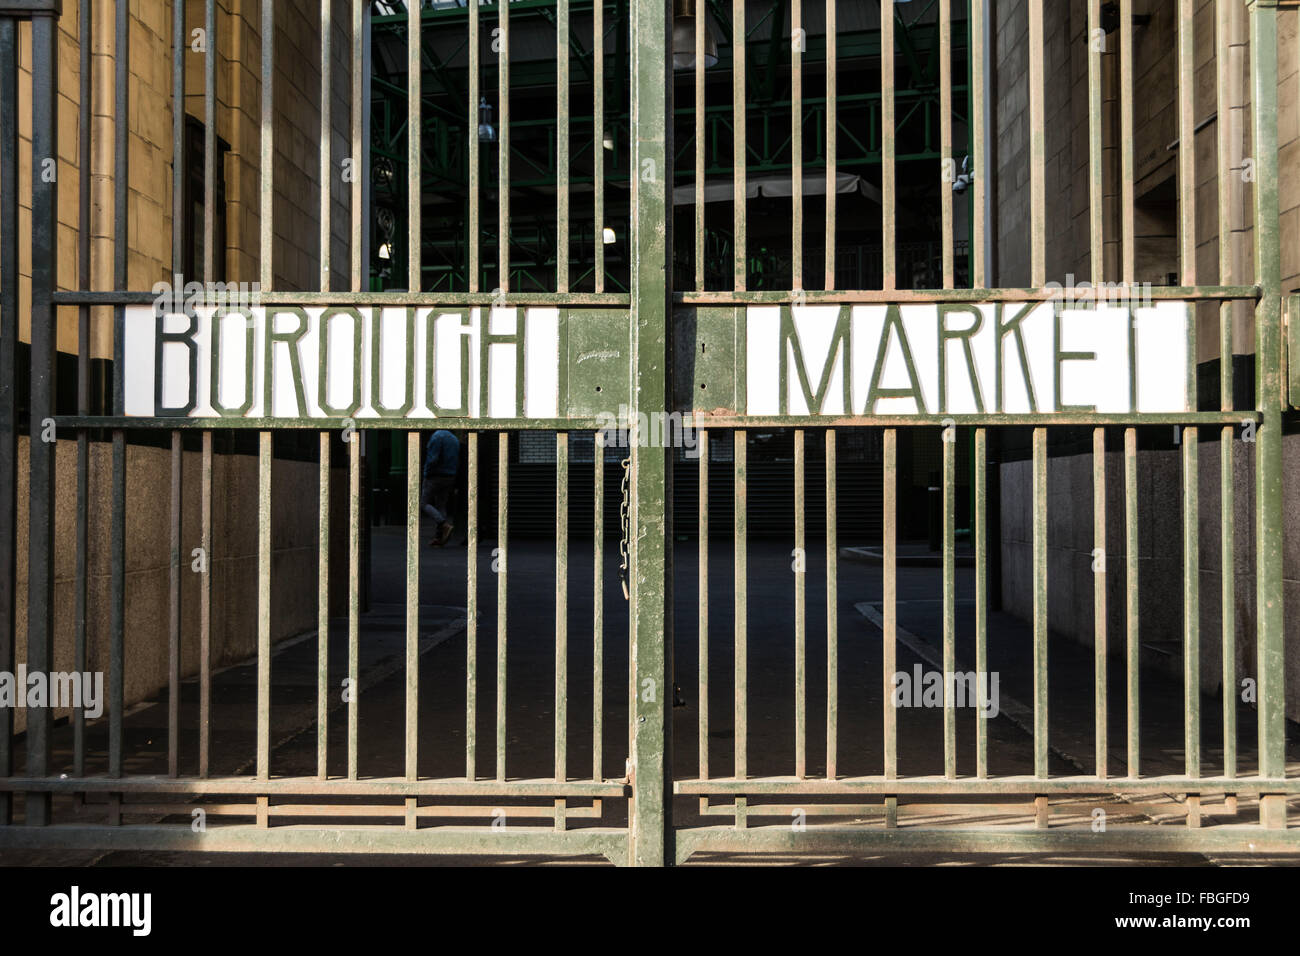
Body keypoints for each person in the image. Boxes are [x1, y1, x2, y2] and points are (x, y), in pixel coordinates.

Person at [421, 430, 459, 546]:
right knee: (441, 505)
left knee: (423, 503)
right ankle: (440, 537)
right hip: (450, 475)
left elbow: (433, 459)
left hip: (435, 475)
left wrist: (426, 472)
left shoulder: (437, 437)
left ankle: (444, 524)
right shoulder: (454, 438)